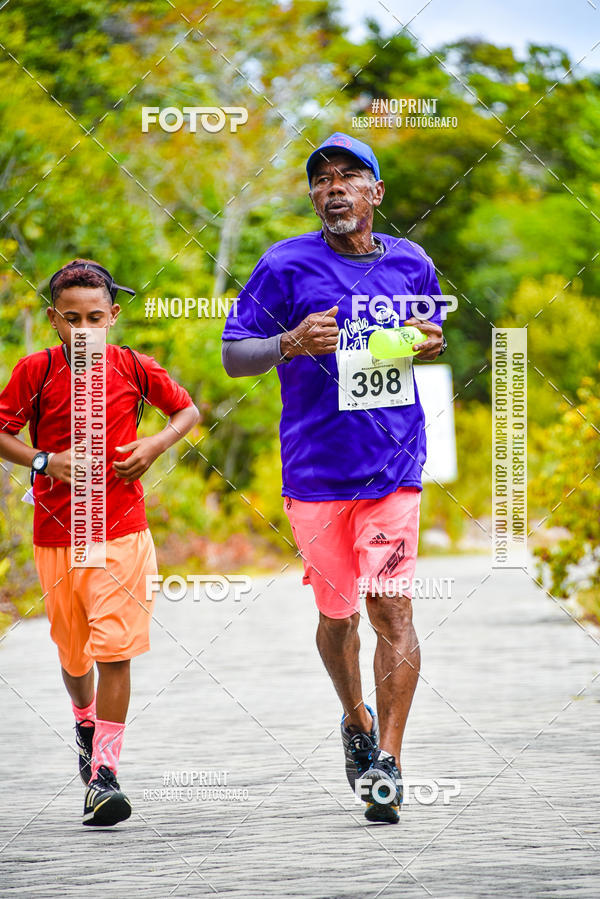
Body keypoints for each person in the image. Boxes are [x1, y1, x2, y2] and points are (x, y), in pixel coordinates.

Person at [222, 133, 447, 824]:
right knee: (337, 615)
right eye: (321, 179)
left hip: (392, 467)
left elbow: (429, 334)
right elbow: (235, 356)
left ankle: (390, 760)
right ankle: (356, 717)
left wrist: (432, 340)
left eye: (350, 176)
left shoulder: (412, 263)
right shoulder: (284, 264)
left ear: (375, 193)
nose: (334, 187)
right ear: (314, 196)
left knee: (392, 611)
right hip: (316, 473)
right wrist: (291, 341)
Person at [0, 259, 199, 827]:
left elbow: (186, 410)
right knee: (73, 652)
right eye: (71, 320)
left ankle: (106, 776)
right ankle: (84, 721)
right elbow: (2, 431)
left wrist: (156, 444)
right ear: (53, 321)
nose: (84, 329)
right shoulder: (35, 372)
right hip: (56, 534)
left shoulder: (134, 367)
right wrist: (43, 460)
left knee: (115, 651)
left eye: (95, 317)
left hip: (122, 533)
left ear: (112, 315)